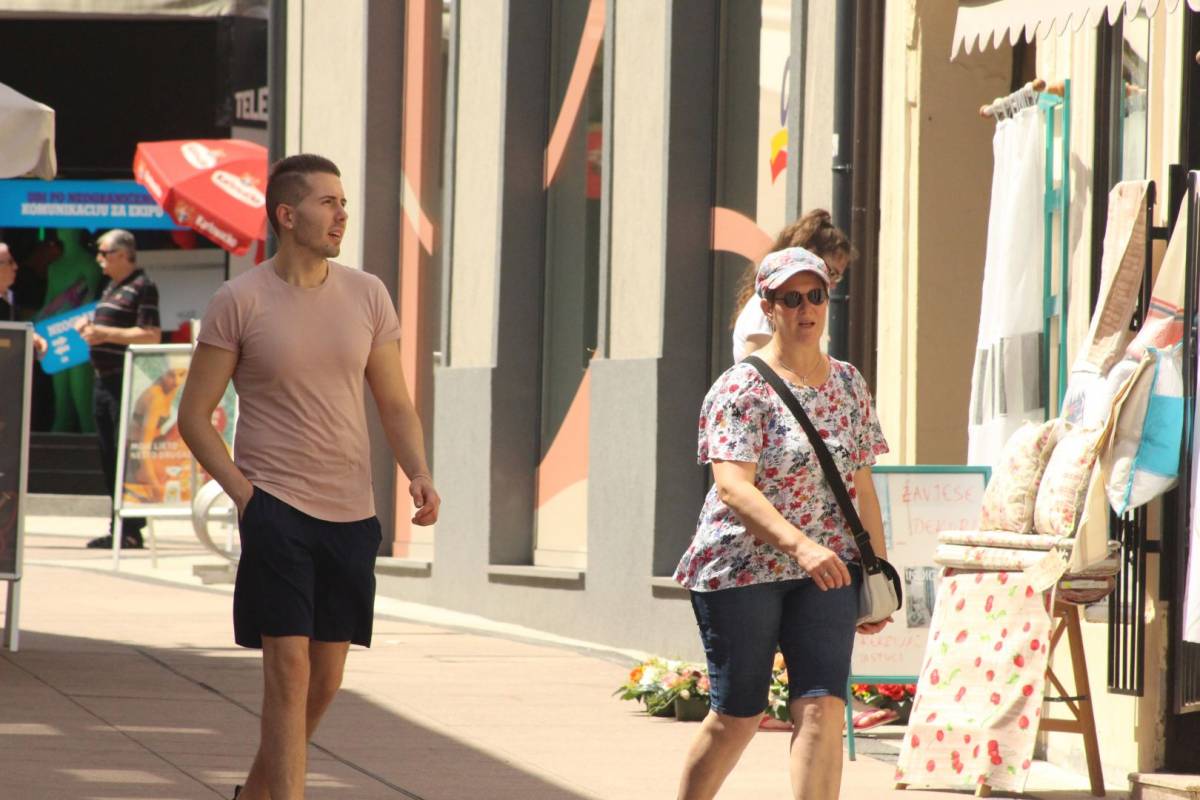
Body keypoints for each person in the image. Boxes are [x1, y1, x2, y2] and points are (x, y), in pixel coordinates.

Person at [177, 153, 440, 800]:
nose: (342, 214)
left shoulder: (368, 294)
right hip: (276, 507)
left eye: (343, 202)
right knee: (288, 670)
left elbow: (395, 401)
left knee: (325, 678)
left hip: (352, 512)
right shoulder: (239, 300)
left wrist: (417, 470)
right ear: (287, 215)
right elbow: (193, 416)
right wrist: (247, 497)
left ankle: (255, 793)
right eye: (328, 202)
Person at [674, 247, 892, 800]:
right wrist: (800, 546)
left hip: (828, 568)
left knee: (822, 707)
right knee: (738, 715)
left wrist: (878, 571)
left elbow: (862, 485)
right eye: (790, 298)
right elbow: (733, 486)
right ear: (768, 306)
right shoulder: (739, 388)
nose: (805, 308)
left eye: (815, 295)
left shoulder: (848, 384)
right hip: (741, 567)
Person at [77, 229, 161, 549]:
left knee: (123, 455)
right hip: (103, 379)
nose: (99, 259)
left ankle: (130, 528)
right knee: (108, 454)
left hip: (124, 380)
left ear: (124, 254)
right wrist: (90, 328)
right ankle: (119, 526)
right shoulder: (112, 286)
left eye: (104, 253)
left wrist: (104, 333)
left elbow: (151, 335)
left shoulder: (143, 286)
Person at [731, 209, 854, 362]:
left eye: (816, 298)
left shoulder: (845, 373)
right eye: (832, 273)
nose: (832, 285)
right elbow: (757, 369)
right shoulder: (766, 306)